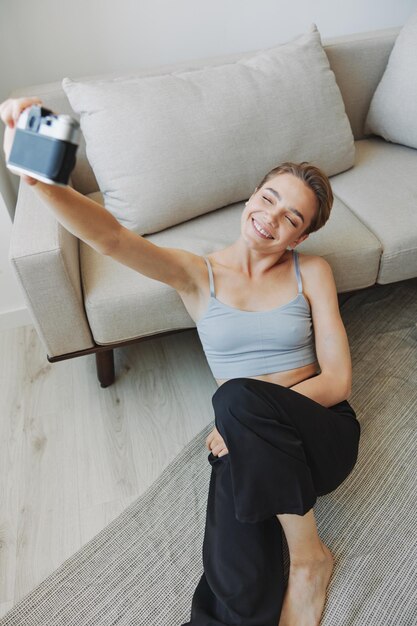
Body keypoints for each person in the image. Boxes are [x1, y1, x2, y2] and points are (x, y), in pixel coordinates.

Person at [1, 97, 361, 626]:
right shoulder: (198, 275)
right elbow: (111, 238)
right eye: (268, 198)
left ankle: (310, 559)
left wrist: (243, 420)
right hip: (249, 447)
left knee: (234, 398)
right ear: (250, 196)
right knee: (231, 577)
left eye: (291, 218)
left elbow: (338, 381)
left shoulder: (314, 272)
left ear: (301, 236)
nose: (270, 219)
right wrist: (43, 184)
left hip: (321, 435)